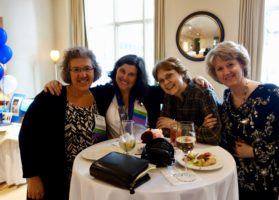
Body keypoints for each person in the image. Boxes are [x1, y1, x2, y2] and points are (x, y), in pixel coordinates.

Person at [205, 40, 279, 200]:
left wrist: (256, 151)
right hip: (234, 176)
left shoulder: (271, 93)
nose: (226, 71)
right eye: (219, 68)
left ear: (242, 64)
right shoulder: (228, 96)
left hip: (264, 181)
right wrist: (212, 122)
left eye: (230, 64)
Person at [45, 54, 211, 138]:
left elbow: (176, 86)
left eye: (131, 74)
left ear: (138, 77)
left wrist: (195, 79)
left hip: (146, 153)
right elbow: (79, 88)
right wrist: (55, 83)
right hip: (111, 154)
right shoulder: (103, 93)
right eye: (122, 71)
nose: (125, 77)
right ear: (116, 70)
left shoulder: (150, 93)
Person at [19, 47, 106, 200]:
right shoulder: (52, 95)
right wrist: (31, 176)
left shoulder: (101, 96)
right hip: (55, 179)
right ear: (68, 72)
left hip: (91, 178)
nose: (82, 75)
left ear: (94, 71)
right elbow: (27, 135)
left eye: (87, 68)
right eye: (76, 69)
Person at [152, 57, 222, 145]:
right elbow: (162, 130)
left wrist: (177, 126)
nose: (165, 83)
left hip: (213, 151)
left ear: (182, 73)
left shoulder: (203, 93)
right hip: (185, 149)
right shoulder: (169, 95)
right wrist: (199, 129)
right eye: (161, 80)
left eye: (169, 76)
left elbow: (214, 137)